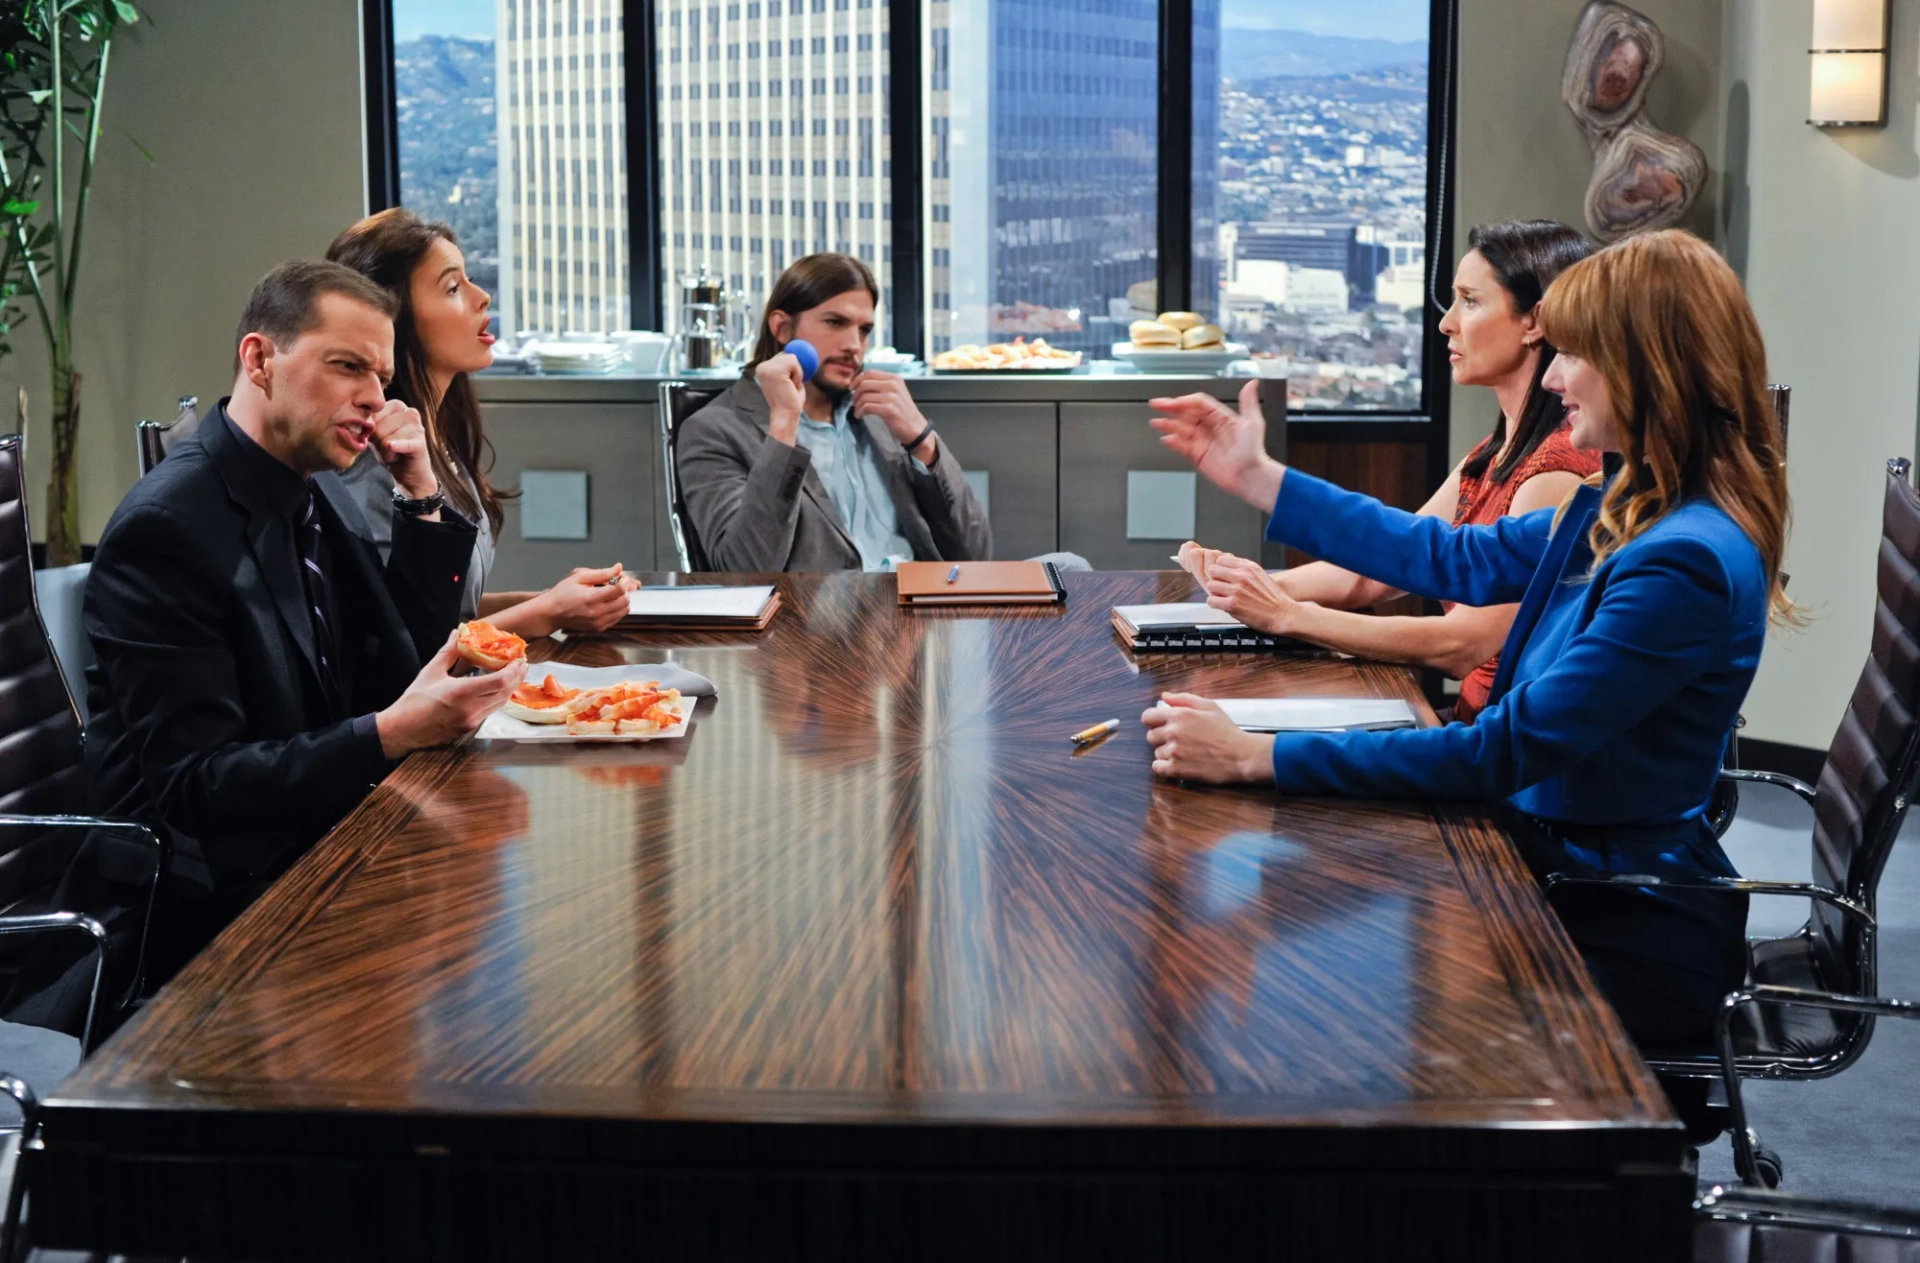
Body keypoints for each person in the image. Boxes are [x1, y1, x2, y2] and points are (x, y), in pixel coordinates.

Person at [1141, 229, 1792, 1060]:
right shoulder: (1626, 499)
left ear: (1645, 369)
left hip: (1614, 912)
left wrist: (1253, 756)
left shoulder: (1682, 558)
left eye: (1576, 355)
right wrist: (1259, 478)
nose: (1555, 377)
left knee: (1317, 992)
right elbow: (1445, 554)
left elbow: (1503, 752)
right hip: (1548, 857)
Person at [41, 260, 526, 1022]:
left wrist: (422, 498)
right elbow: (198, 787)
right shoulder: (168, 530)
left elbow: (398, 664)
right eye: (346, 366)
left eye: (381, 373)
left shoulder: (308, 486)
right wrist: (393, 732)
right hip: (207, 911)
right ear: (261, 360)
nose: (374, 397)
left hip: (312, 850)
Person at [1183, 220, 1601, 723]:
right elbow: (1389, 566)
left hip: (1487, 747)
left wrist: (1287, 615)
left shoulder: (1556, 475)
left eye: (1470, 301)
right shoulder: (1493, 452)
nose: (1447, 323)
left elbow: (1461, 644)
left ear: (1534, 322)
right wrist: (1250, 586)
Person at [328, 208, 638, 637]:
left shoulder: (436, 439)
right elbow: (403, 647)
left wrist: (556, 599)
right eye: (453, 286)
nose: (482, 296)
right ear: (392, 315)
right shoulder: (378, 462)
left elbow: (448, 607)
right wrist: (547, 612)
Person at [674, 252, 992, 572]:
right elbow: (743, 572)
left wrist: (923, 441)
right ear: (782, 328)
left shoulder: (878, 416)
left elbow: (975, 556)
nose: (854, 344)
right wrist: (784, 426)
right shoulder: (714, 430)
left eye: (864, 329)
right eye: (835, 322)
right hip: (815, 618)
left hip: (917, 609)